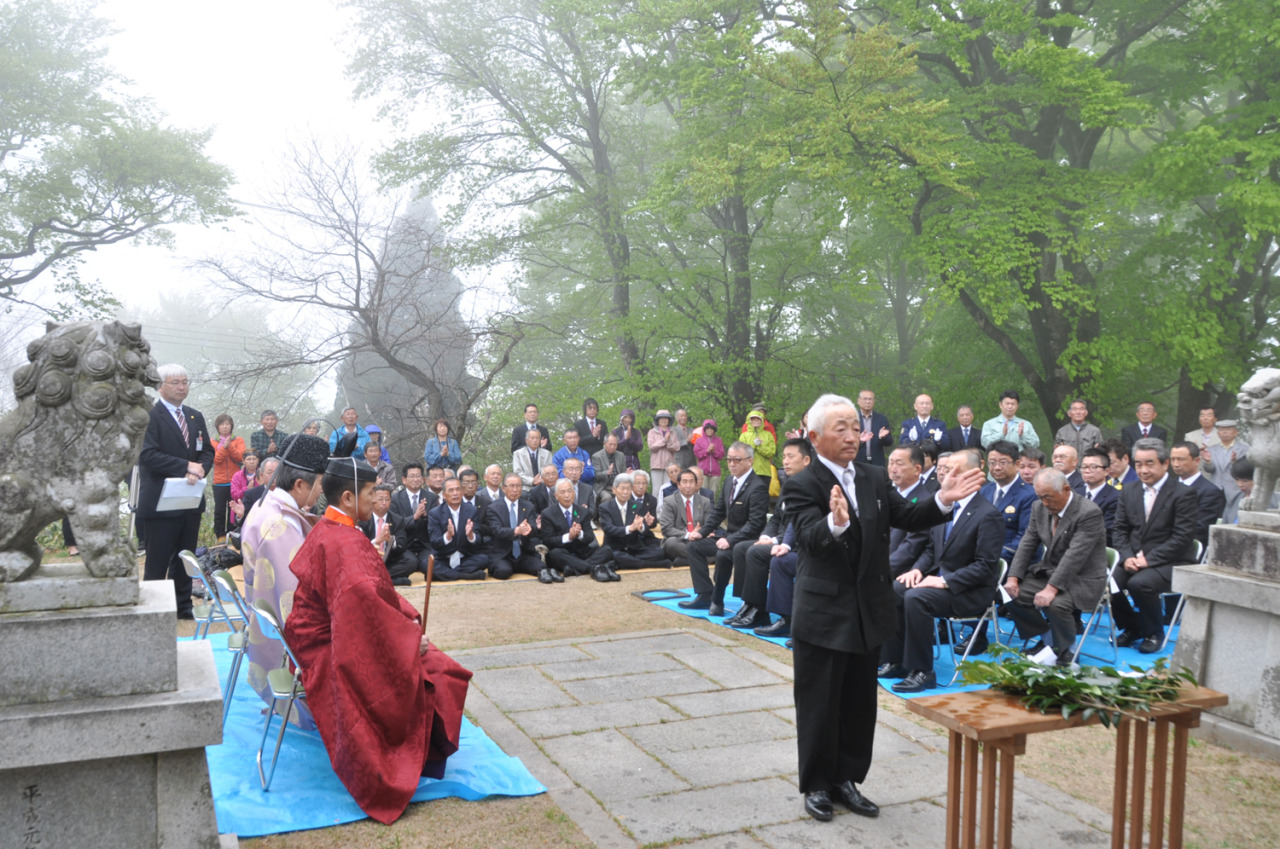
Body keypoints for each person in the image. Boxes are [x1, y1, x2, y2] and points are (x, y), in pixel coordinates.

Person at [783, 394, 985, 823]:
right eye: (841, 428)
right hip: (823, 611)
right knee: (819, 702)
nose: (853, 435)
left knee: (859, 703)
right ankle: (817, 783)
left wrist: (943, 500)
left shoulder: (874, 478)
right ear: (814, 436)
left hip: (868, 609)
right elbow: (807, 538)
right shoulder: (803, 483)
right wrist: (835, 523)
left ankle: (846, 780)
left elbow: (908, 517)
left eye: (856, 427)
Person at [283, 449, 472, 825]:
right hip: (327, 647)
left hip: (317, 635)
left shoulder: (333, 529)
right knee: (443, 671)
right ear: (349, 498)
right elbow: (359, 618)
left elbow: (369, 601)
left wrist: (404, 624)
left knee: (428, 656)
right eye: (371, 492)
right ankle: (407, 761)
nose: (376, 500)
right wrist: (407, 640)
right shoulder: (344, 542)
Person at [880, 448, 1003, 692]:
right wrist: (917, 570)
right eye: (944, 470)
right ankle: (896, 660)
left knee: (916, 597)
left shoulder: (987, 515)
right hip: (939, 582)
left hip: (968, 591)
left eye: (952, 470)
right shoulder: (945, 507)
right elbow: (930, 549)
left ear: (971, 474)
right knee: (893, 589)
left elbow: (985, 566)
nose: (945, 475)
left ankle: (923, 671)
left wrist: (944, 581)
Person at [240, 432, 328, 725]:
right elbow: (294, 598)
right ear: (300, 484)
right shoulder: (279, 525)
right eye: (319, 483)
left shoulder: (270, 505)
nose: (321, 490)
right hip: (282, 633)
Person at [1003, 468, 1109, 667]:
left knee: (1055, 604)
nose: (1044, 503)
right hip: (1050, 571)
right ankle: (1048, 639)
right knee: (1010, 595)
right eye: (1040, 497)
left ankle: (1066, 648)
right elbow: (1028, 542)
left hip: (1082, 578)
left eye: (1049, 497)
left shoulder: (1089, 512)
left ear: (1066, 490)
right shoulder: (1038, 507)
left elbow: (1074, 556)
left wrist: (1051, 589)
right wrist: (1013, 577)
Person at [137, 364, 214, 619]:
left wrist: (199, 468)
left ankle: (183, 607)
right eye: (175, 382)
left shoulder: (194, 416)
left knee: (185, 558)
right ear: (160, 386)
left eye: (185, 381)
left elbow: (207, 451)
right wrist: (185, 466)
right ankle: (154, 609)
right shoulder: (149, 415)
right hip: (161, 502)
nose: (182, 387)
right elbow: (148, 455)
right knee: (157, 560)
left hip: (189, 500)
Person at [1110, 438, 1199, 652]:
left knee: (1140, 584)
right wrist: (1127, 556)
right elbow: (1120, 529)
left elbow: (1182, 538)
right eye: (1138, 464)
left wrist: (1147, 560)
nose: (1143, 470)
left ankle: (1154, 633)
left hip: (1172, 561)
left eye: (1150, 463)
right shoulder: (1129, 491)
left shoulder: (1184, 494)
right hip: (1133, 557)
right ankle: (1133, 627)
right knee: (1106, 580)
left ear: (1165, 463)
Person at [726, 438, 813, 630]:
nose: (785, 461)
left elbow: (799, 524)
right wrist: (766, 536)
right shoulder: (789, 483)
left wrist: (776, 540)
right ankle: (749, 604)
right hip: (781, 539)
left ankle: (759, 609)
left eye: (791, 457)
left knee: (756, 553)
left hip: (797, 545)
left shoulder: (811, 485)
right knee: (741, 548)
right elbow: (775, 518)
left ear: (806, 460)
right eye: (784, 457)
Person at [678, 442, 769, 614]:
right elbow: (718, 512)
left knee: (723, 554)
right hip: (728, 537)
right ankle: (705, 594)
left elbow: (755, 524)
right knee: (694, 546)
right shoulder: (729, 481)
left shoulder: (758, 487)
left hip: (748, 540)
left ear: (750, 461)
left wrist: (730, 540)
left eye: (737, 460)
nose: (732, 464)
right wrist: (702, 532)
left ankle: (718, 600)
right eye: (729, 460)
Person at [540, 479, 618, 582]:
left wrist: (580, 533)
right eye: (563, 492)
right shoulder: (547, 513)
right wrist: (569, 536)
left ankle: (574, 569)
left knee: (607, 550)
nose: (567, 495)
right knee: (554, 554)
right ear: (556, 496)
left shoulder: (583, 511)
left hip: (582, 552)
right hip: (562, 552)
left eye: (570, 491)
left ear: (574, 493)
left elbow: (590, 537)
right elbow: (548, 541)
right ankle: (593, 568)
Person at [597, 473, 672, 569]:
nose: (625, 492)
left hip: (634, 548)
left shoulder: (637, 505)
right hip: (615, 548)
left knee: (659, 552)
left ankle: (628, 562)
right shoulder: (605, 507)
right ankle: (650, 564)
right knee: (614, 556)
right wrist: (630, 528)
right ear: (614, 490)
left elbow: (645, 530)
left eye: (628, 488)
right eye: (622, 488)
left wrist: (641, 527)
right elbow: (609, 528)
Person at [484, 473, 545, 580]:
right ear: (503, 488)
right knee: (503, 572)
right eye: (512, 486)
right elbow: (496, 530)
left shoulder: (528, 506)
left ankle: (520, 566)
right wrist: (516, 531)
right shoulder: (493, 508)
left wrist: (532, 528)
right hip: (503, 554)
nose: (515, 489)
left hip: (524, 552)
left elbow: (533, 528)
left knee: (541, 567)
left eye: (518, 486)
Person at [428, 478, 490, 581]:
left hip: (465, 556)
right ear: (444, 495)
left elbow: (479, 540)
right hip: (444, 557)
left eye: (458, 489)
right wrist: (447, 536)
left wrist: (471, 536)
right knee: (426, 565)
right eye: (451, 490)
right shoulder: (435, 513)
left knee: (484, 559)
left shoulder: (471, 510)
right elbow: (434, 542)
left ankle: (446, 575)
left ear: (462, 492)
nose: (455, 493)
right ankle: (465, 575)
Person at [1170, 441, 1226, 551]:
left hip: (1186, 548)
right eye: (1173, 459)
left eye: (1181, 459)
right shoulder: (1167, 487)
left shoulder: (1210, 492)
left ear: (1196, 461)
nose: (1176, 464)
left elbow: (1200, 529)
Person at [885, 446, 930, 578]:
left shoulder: (924, 502)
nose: (893, 469)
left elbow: (909, 550)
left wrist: (878, 571)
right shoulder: (885, 496)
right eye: (891, 463)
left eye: (899, 464)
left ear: (917, 469)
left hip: (900, 573)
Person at [389, 463, 437, 581]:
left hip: (425, 544)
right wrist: (414, 517)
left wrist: (425, 516)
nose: (416, 479)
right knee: (411, 563)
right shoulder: (395, 499)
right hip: (406, 544)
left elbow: (435, 525)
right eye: (412, 476)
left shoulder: (431, 497)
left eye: (418, 476)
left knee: (431, 566)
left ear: (423, 479)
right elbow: (395, 525)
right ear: (404, 480)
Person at [658, 468, 713, 567]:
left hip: (699, 540)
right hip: (680, 541)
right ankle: (708, 559)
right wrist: (689, 535)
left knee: (719, 541)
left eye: (691, 482)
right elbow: (667, 529)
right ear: (678, 484)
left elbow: (709, 525)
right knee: (671, 543)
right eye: (684, 482)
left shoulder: (705, 501)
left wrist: (700, 533)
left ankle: (684, 561)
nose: (688, 485)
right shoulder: (669, 501)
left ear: (696, 484)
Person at [359, 484, 406, 581]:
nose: (384, 503)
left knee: (411, 561)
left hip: (389, 561)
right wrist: (377, 541)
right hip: (368, 559)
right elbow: (360, 546)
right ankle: (389, 579)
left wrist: (390, 540)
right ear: (373, 500)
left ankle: (379, 577)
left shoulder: (397, 520)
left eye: (387, 499)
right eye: (380, 499)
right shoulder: (363, 519)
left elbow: (402, 545)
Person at [210, 414, 245, 542]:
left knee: (234, 509)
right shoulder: (213, 442)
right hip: (219, 481)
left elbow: (240, 457)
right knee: (219, 510)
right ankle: (220, 535)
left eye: (227, 424)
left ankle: (233, 534)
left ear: (231, 426)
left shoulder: (238, 440)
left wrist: (229, 446)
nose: (225, 427)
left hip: (235, 481)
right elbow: (215, 460)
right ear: (217, 427)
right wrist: (224, 448)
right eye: (222, 424)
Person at [1078, 447, 1119, 546]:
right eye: (1084, 467)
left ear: (1106, 471)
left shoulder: (1116, 497)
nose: (1087, 471)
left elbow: (1107, 531)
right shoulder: (1075, 494)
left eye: (1093, 467)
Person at [1202, 419, 1250, 501]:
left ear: (1236, 433)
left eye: (1228, 429)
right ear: (1218, 434)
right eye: (1221, 430)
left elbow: (1246, 470)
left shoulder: (1244, 449)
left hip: (1235, 489)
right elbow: (1210, 470)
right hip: (1216, 488)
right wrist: (1208, 461)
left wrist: (1236, 462)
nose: (1224, 432)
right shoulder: (1211, 450)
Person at [855, 390, 894, 466]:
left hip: (877, 462)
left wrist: (882, 437)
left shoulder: (881, 419)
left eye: (870, 399)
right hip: (857, 462)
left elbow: (889, 442)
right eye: (865, 399)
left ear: (874, 401)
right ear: (858, 401)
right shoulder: (852, 418)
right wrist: (859, 440)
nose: (868, 402)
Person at [739, 410, 778, 483]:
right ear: (749, 420)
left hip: (764, 472)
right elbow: (742, 452)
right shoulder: (744, 436)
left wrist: (759, 446)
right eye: (753, 419)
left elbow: (772, 452)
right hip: (748, 471)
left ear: (762, 420)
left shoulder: (768, 435)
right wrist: (754, 445)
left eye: (758, 419)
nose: (756, 421)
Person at [514, 428, 553, 493]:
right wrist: (532, 481)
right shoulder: (518, 454)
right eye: (532, 438)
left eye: (537, 438)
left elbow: (550, 472)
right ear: (526, 440)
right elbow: (517, 473)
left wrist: (540, 480)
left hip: (543, 486)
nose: (535, 440)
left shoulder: (547, 454)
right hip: (525, 487)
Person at [693, 418, 726, 493]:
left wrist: (714, 451)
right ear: (704, 430)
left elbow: (721, 455)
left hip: (715, 473)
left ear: (714, 430)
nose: (709, 430)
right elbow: (697, 454)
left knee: (712, 494)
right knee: (702, 494)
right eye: (707, 429)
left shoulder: (719, 440)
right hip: (703, 472)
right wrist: (707, 451)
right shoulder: (699, 440)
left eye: (711, 429)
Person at [592, 433, 627, 500]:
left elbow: (623, 471)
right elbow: (596, 475)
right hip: (604, 487)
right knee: (607, 497)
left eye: (615, 445)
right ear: (604, 443)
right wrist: (607, 472)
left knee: (628, 494)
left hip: (618, 486)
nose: (612, 447)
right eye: (610, 444)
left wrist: (627, 474)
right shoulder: (597, 456)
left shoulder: (620, 455)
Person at [648, 410, 679, 486]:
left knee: (668, 488)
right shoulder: (652, 432)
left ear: (669, 420)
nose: (664, 420)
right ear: (657, 420)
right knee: (657, 489)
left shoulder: (673, 432)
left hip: (670, 465)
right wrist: (664, 440)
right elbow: (652, 447)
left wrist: (668, 443)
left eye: (666, 418)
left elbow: (677, 447)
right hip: (656, 465)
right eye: (661, 418)